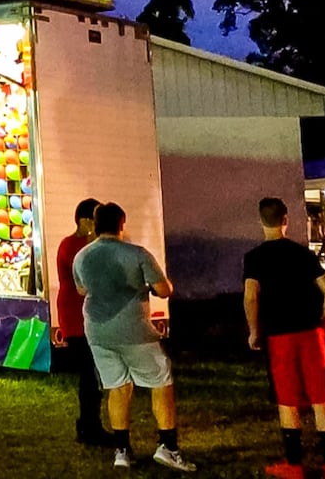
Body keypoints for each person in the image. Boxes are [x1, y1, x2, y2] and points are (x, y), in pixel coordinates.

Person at [72, 202, 194, 472]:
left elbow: (81, 290)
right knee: (161, 381)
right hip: (134, 330)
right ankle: (168, 447)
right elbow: (164, 290)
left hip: (97, 331)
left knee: (117, 386)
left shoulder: (81, 256)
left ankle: (122, 450)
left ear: (96, 223)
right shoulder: (138, 253)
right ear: (121, 224)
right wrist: (147, 286)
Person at [245, 197, 325, 479]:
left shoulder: (255, 258)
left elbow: (251, 297)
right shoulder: (303, 255)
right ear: (285, 220)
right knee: (321, 400)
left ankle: (295, 465)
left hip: (279, 337)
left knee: (287, 400)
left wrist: (253, 331)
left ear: (261, 221)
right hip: (312, 334)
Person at [56, 197, 110, 445]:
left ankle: (91, 425)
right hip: (75, 317)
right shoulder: (70, 245)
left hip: (92, 315)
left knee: (93, 373)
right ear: (85, 220)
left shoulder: (94, 244)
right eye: (95, 218)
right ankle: (88, 428)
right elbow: (82, 274)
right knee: (89, 373)